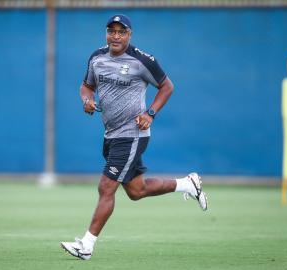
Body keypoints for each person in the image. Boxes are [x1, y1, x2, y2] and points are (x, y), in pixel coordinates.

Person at [61, 14, 208, 260]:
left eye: (121, 32)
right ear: (106, 33)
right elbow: (86, 86)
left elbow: (167, 86)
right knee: (136, 191)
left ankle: (86, 245)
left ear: (130, 35)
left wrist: (150, 113)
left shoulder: (142, 60)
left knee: (106, 186)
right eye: (111, 31)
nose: (115, 36)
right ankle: (187, 184)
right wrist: (87, 100)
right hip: (111, 134)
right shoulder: (97, 57)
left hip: (132, 134)